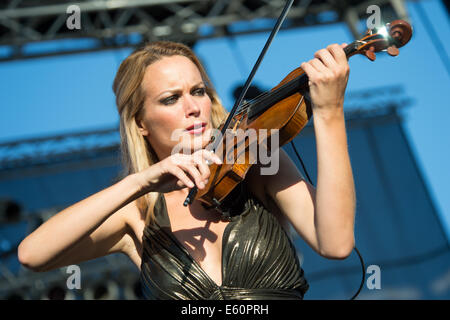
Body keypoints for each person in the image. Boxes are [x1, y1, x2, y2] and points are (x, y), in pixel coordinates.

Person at [18, 41, 356, 300]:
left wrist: (329, 112)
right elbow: (33, 255)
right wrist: (142, 181)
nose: (193, 108)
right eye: (171, 98)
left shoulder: (257, 164)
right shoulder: (135, 215)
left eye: (199, 92)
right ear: (140, 123)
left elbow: (337, 244)